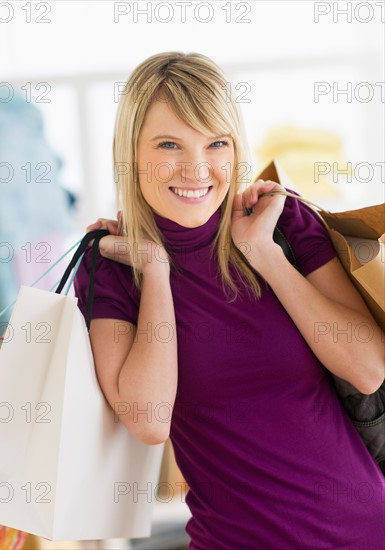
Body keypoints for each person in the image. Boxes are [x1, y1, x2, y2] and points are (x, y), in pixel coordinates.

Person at [74, 52, 385, 549]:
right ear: (131, 152)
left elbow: (367, 369)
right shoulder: (111, 268)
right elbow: (150, 420)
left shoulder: (283, 224)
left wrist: (264, 254)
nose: (197, 169)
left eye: (215, 142)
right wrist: (155, 271)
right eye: (170, 144)